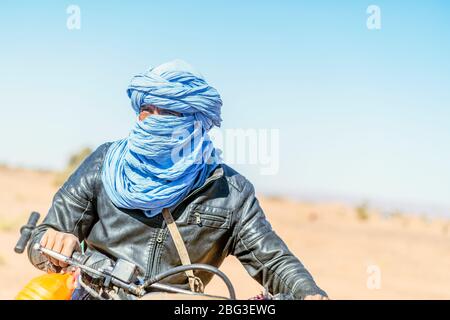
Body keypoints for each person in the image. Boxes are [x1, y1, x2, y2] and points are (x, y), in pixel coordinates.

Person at [27, 59, 328, 300]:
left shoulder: (230, 193)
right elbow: (41, 239)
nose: (154, 122)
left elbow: (273, 262)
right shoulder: (104, 165)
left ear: (195, 123)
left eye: (168, 113)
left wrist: (310, 293)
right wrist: (54, 243)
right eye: (147, 112)